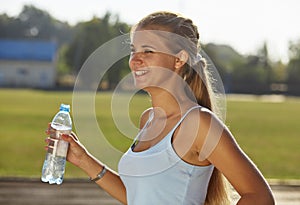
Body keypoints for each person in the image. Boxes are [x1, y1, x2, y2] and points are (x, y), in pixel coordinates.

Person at [46, 11, 275, 205]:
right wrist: (83, 159)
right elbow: (138, 196)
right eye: (133, 50)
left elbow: (259, 197)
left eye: (148, 51)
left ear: (179, 59)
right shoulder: (148, 119)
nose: (135, 60)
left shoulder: (198, 123)